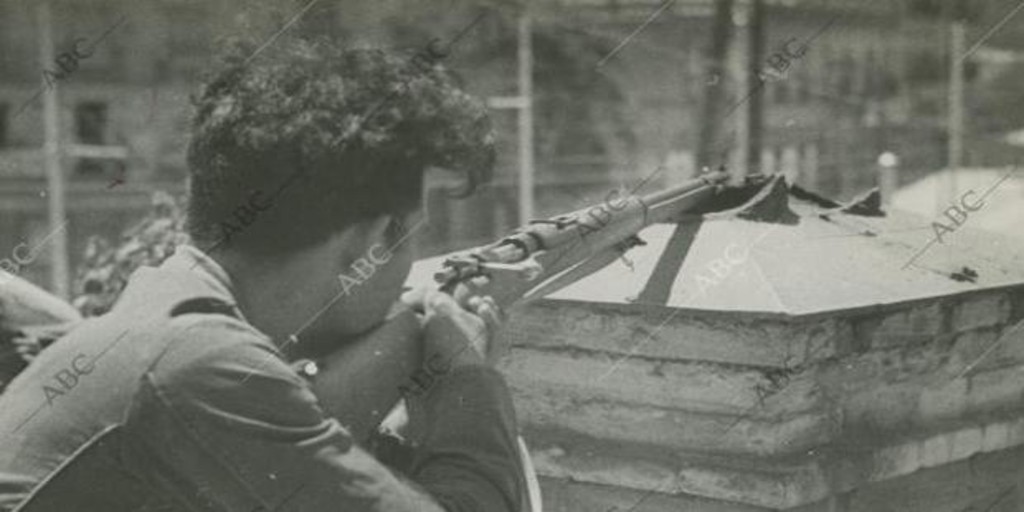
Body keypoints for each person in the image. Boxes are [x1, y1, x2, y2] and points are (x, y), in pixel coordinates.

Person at [0, 37, 524, 512]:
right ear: (373, 239)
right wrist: (464, 375)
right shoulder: (197, 363)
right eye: (415, 236)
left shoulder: (161, 317)